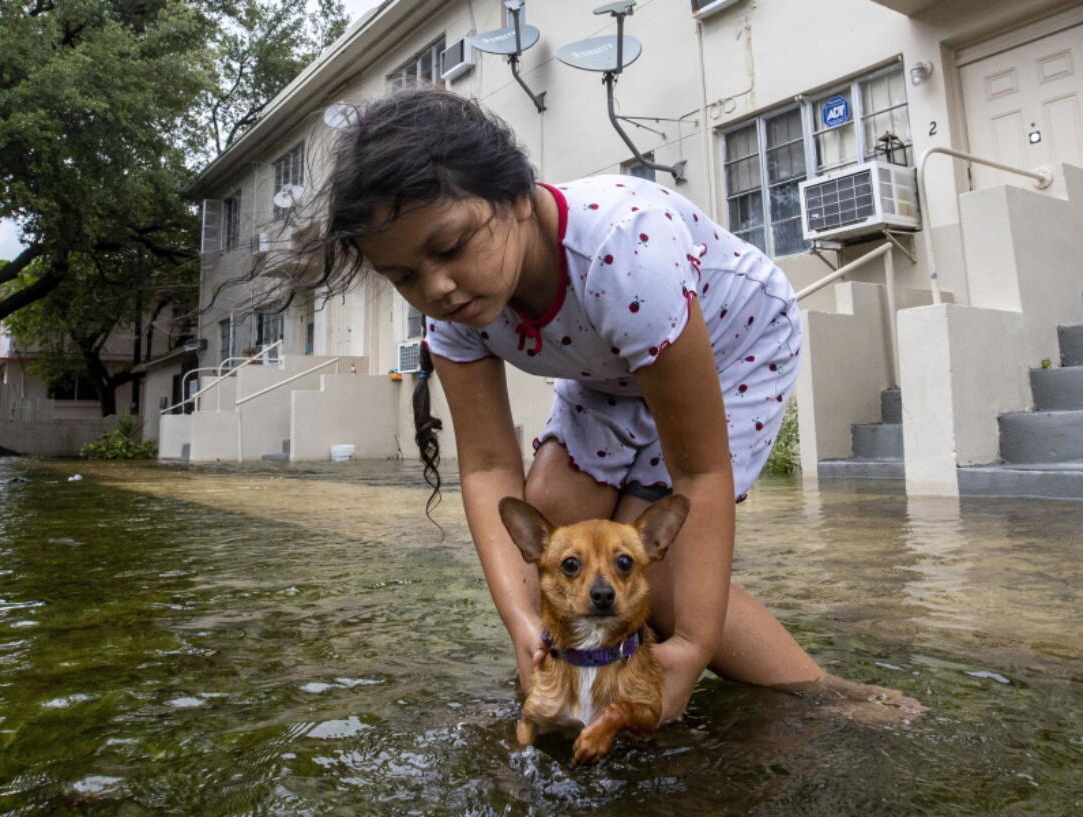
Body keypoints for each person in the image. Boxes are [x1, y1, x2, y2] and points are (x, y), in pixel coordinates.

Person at [313, 87, 918, 724]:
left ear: (518, 197)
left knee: (647, 579)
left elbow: (700, 473)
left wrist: (693, 645)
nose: (435, 287)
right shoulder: (452, 311)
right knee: (556, 541)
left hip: (734, 342)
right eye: (403, 276)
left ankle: (831, 698)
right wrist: (525, 628)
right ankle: (595, 672)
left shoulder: (622, 252)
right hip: (607, 373)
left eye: (451, 247)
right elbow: (489, 465)